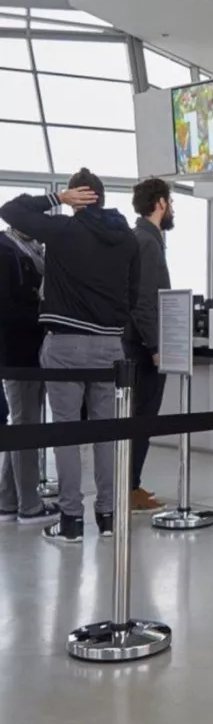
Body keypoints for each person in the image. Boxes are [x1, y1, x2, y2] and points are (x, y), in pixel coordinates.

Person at [0, 169, 140, 543]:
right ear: (103, 196)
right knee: (106, 433)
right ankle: (108, 517)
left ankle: (72, 520)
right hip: (111, 346)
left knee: (66, 433)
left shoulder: (63, 231)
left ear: (78, 196)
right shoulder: (127, 239)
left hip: (65, 343)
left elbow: (9, 209)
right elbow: (134, 292)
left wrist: (56, 200)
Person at [0, 224, 58, 525]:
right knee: (25, 427)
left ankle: (8, 500)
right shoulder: (6, 251)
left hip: (28, 351)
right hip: (18, 353)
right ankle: (30, 506)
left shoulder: (28, 249)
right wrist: (41, 309)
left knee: (22, 424)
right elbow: (6, 308)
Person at [126, 178, 174, 515]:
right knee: (142, 418)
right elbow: (143, 301)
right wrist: (156, 345)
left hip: (138, 342)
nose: (173, 208)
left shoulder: (143, 238)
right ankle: (129, 489)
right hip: (142, 347)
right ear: (159, 203)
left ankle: (130, 485)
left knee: (139, 418)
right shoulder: (147, 241)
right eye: (170, 201)